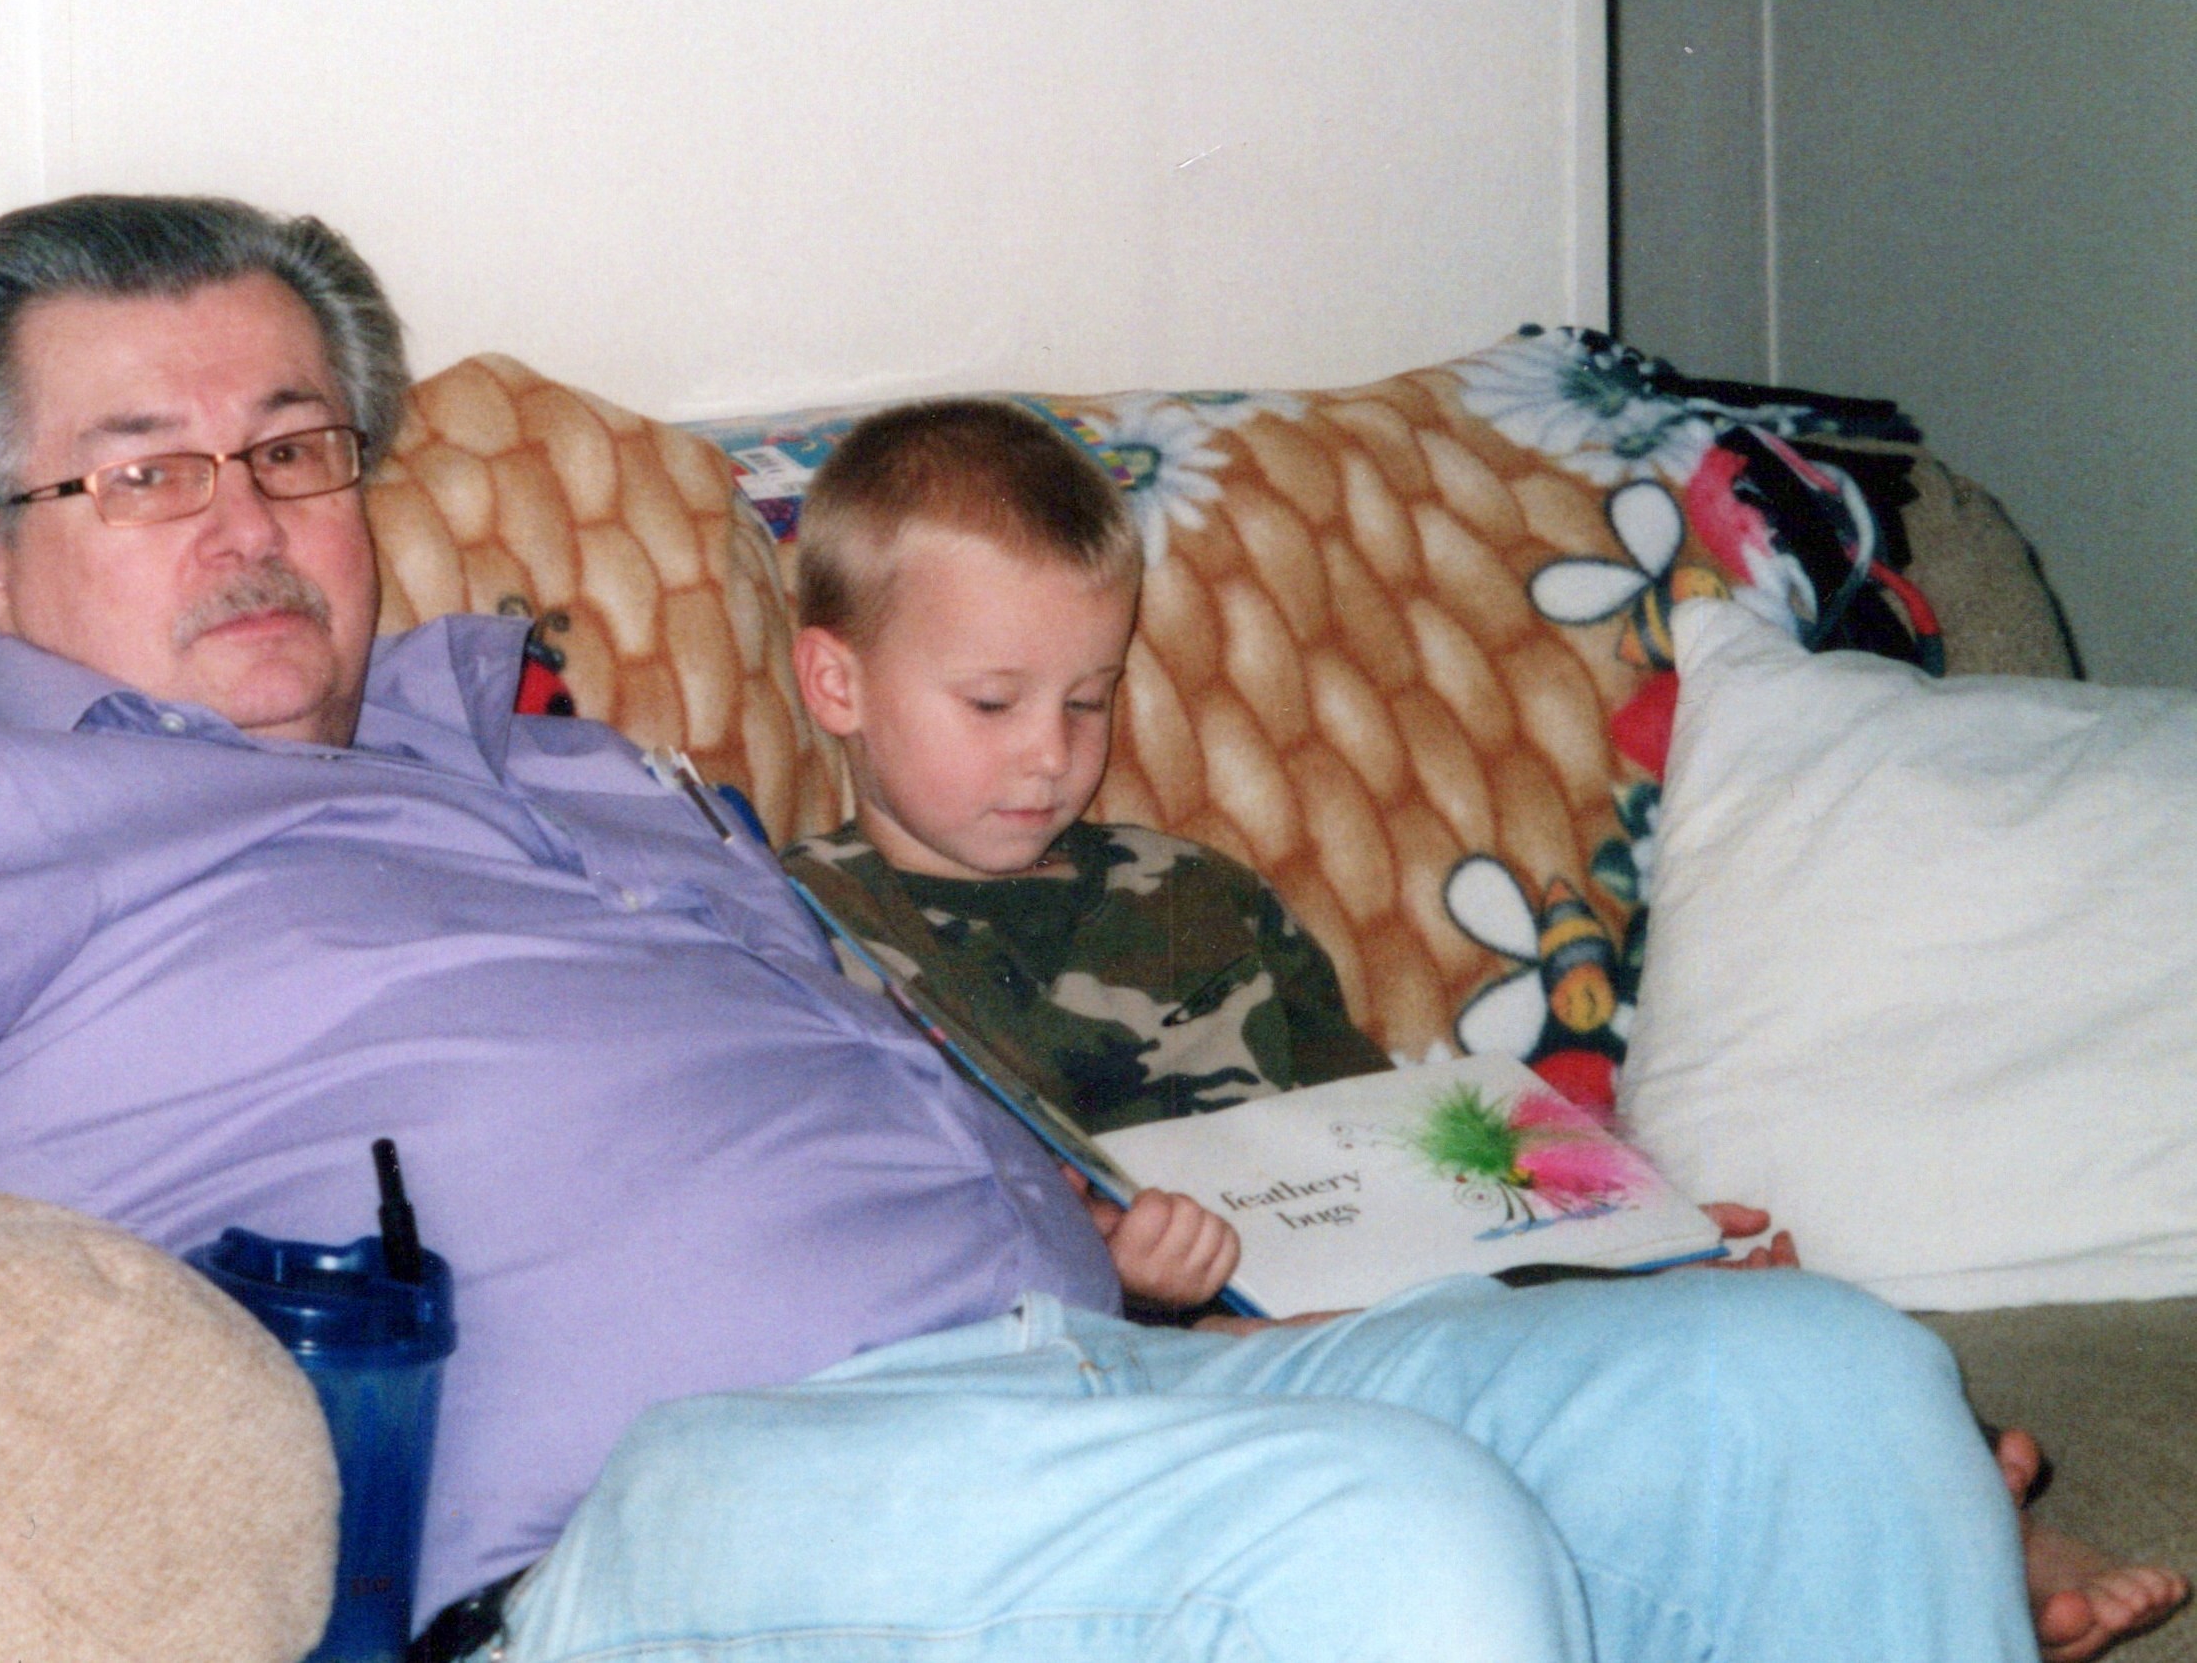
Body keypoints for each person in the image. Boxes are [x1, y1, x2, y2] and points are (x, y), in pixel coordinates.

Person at [0, 192, 2048, 1663]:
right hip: (656, 1514)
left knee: (1813, 1390)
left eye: (290, 448)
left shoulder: (555, 742)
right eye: (142, 471)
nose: (244, 519)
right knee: (1385, 1544)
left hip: (1082, 1386)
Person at [777, 393, 2187, 1663]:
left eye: (1089, 701)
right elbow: (859, 1251)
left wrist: (1609, 1221)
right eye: (994, 702)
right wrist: (1111, 1264)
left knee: (1769, 1319)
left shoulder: (1189, 894)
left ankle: (1933, 1508)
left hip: (1388, 1309)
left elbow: (1381, 1142)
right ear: (834, 683)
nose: (1050, 752)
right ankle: (1915, 1517)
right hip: (1168, 1376)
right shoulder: (799, 933)